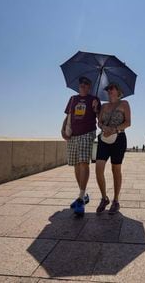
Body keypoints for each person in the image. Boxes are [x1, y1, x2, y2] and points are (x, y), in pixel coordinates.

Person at [62, 76, 101, 217]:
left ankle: (81, 197)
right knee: (76, 165)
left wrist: (97, 108)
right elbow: (68, 116)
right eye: (81, 84)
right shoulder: (73, 99)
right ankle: (83, 195)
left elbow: (99, 118)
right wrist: (62, 130)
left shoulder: (94, 99)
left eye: (86, 84)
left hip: (87, 133)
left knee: (84, 163)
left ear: (89, 87)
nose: (83, 86)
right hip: (73, 134)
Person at [95, 82, 131, 215]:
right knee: (98, 168)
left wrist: (114, 129)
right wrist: (104, 127)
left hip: (119, 139)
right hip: (103, 139)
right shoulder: (104, 106)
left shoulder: (124, 104)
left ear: (118, 90)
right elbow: (99, 122)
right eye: (108, 89)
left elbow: (128, 122)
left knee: (116, 169)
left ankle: (116, 200)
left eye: (112, 88)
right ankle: (104, 198)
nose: (109, 91)